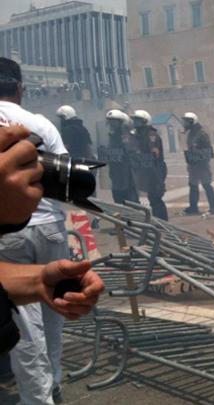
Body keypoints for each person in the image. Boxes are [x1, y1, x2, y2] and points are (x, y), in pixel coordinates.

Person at [0, 56, 76, 405]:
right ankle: (55, 385)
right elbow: (68, 179)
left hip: (8, 234)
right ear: (20, 88)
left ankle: (38, 398)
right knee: (53, 309)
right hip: (50, 229)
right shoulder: (40, 123)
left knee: (24, 327)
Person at [129, 109, 169, 221]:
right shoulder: (139, 136)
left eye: (138, 121)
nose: (135, 123)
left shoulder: (151, 135)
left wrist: (141, 156)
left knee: (156, 198)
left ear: (145, 122)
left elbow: (154, 153)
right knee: (152, 198)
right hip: (147, 170)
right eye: (134, 121)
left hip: (155, 169)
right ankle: (159, 223)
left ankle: (163, 224)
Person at [181, 112, 214, 215]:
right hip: (193, 165)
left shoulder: (202, 134)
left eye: (187, 121)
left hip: (202, 165)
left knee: (206, 185)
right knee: (193, 185)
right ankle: (193, 207)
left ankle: (213, 207)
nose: (185, 124)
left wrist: (198, 156)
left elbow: (208, 151)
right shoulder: (190, 134)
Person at [101, 109, 140, 205]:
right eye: (110, 122)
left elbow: (129, 151)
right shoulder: (112, 136)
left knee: (130, 198)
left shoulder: (126, 135)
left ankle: (135, 218)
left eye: (114, 121)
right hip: (115, 172)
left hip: (126, 172)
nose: (112, 124)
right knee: (118, 197)